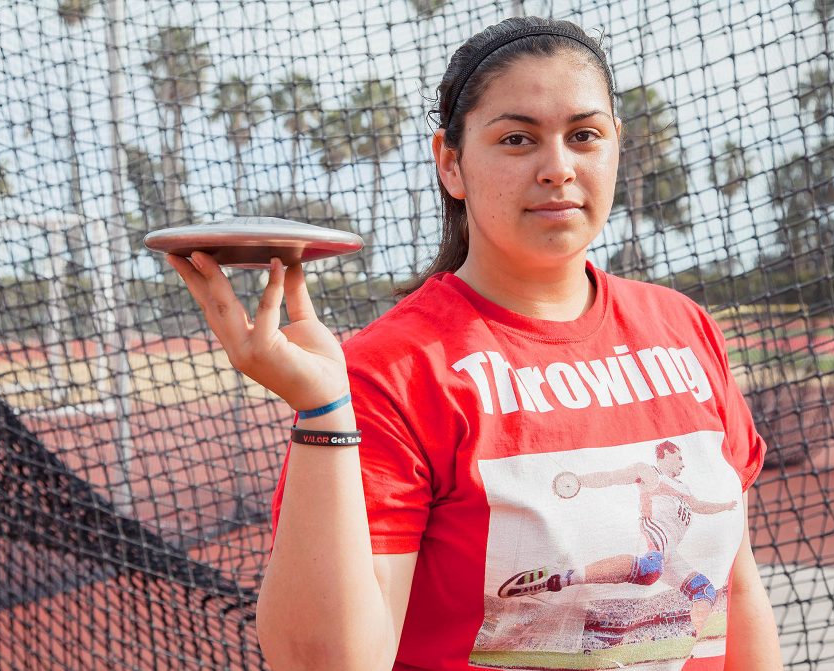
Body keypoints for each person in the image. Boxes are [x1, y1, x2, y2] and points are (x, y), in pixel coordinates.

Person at [167, 16, 783, 671]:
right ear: (451, 164)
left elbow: (737, 590)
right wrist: (323, 408)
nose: (558, 168)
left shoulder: (684, 329)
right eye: (518, 138)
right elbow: (327, 662)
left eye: (584, 136)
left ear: (616, 148)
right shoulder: (391, 372)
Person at [497, 439, 739, 639]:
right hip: (654, 532)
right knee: (651, 568)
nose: (683, 463)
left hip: (670, 550)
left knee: (705, 590)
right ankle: (560, 576)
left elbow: (700, 506)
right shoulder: (649, 472)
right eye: (679, 457)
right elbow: (613, 476)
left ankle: (692, 635)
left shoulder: (684, 489)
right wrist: (580, 481)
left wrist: (726, 505)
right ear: (665, 455)